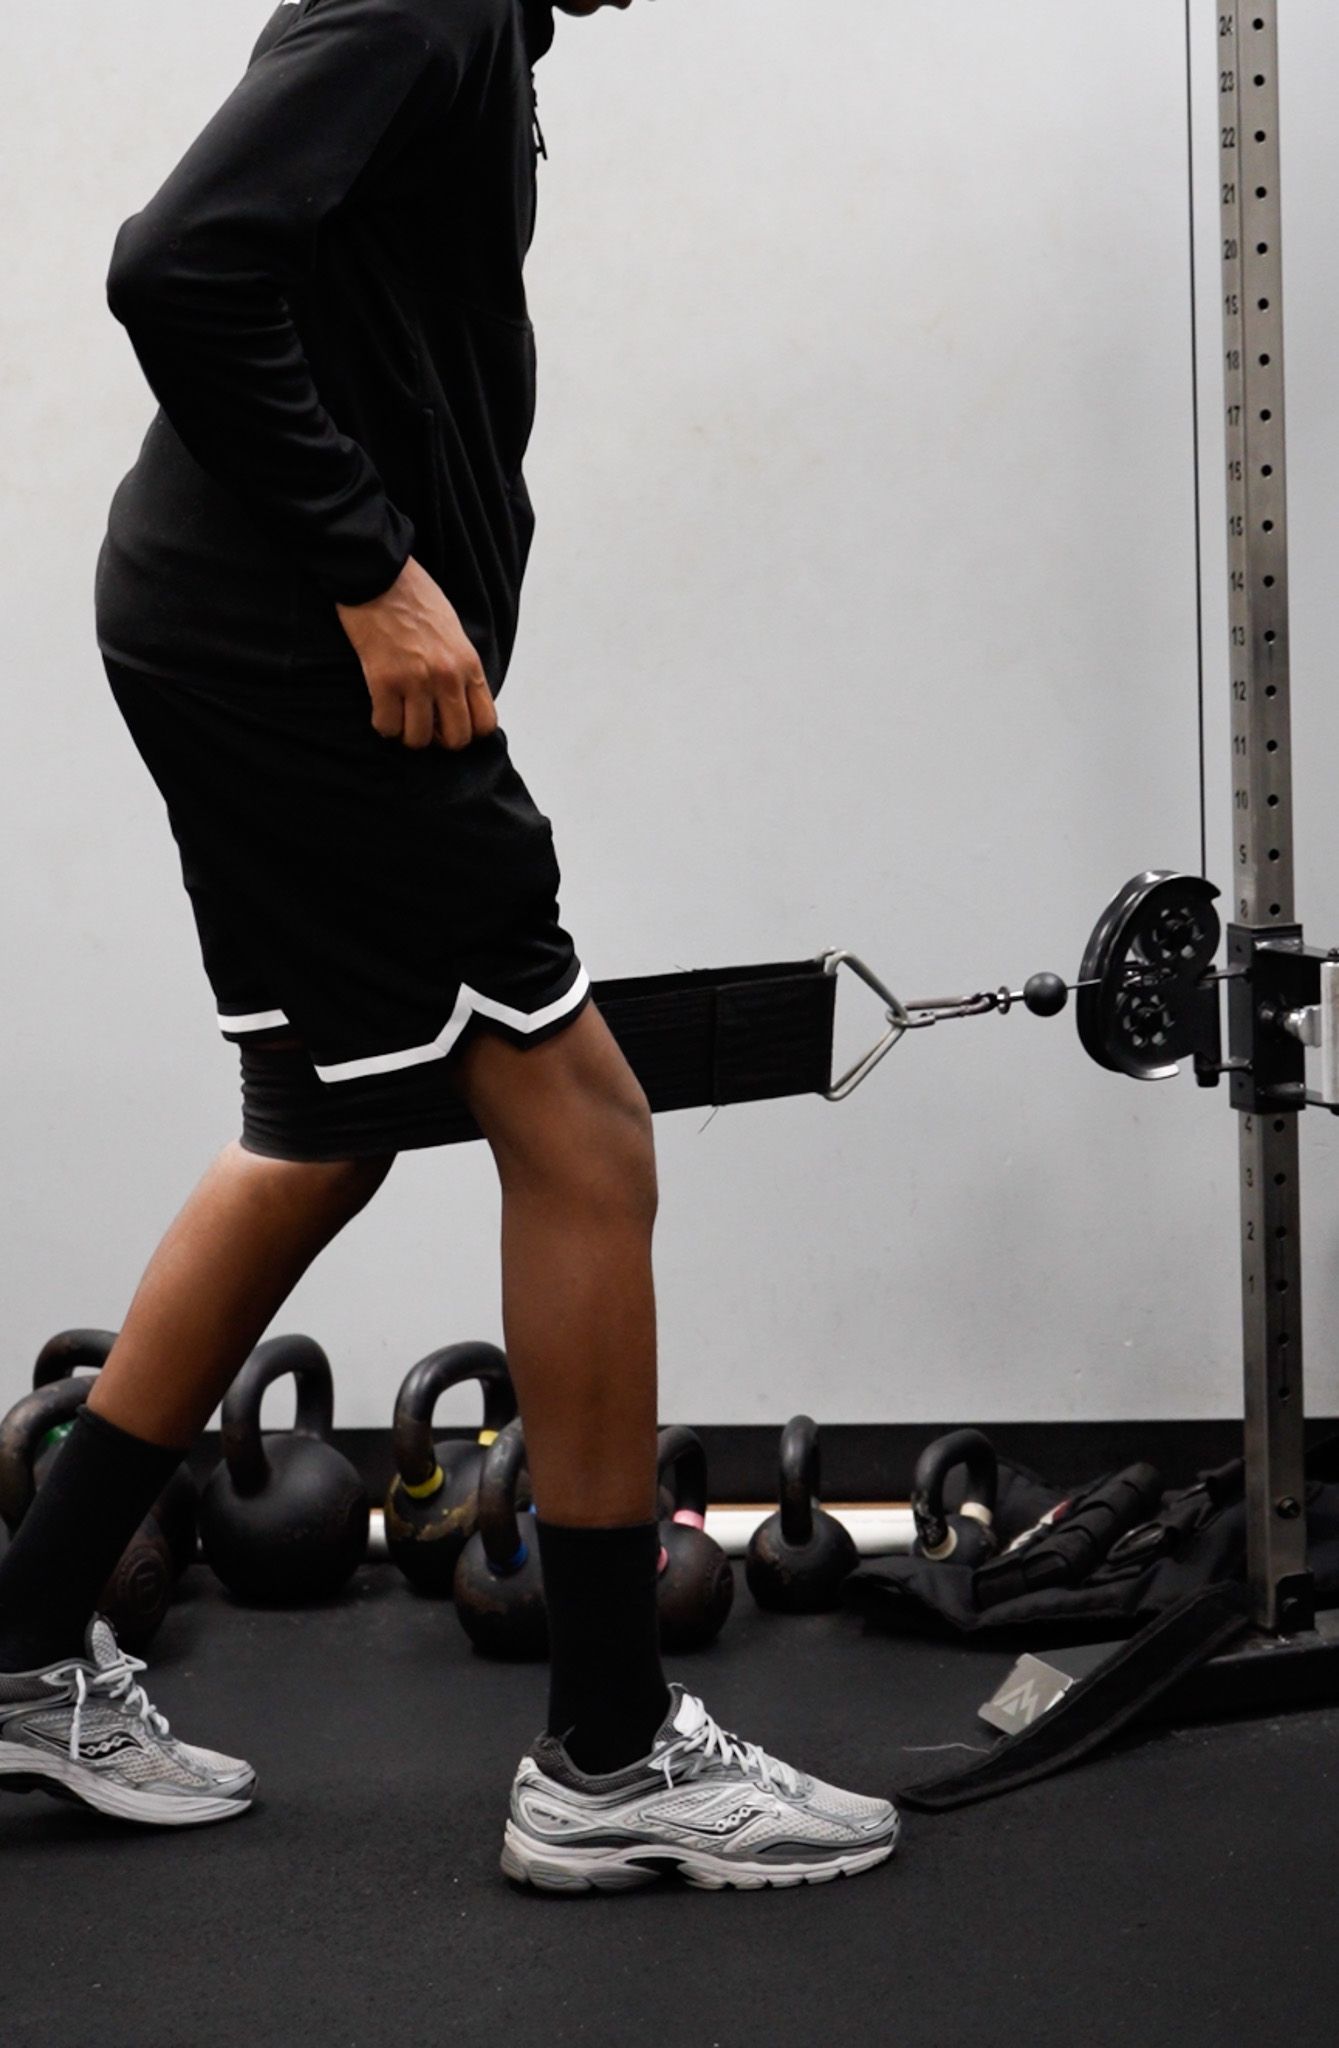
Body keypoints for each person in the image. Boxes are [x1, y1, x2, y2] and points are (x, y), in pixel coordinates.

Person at [0, 0, 898, 1891]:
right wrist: (371, 570)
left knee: (321, 1129)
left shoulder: (480, 22)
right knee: (588, 1127)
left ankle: (19, 1641)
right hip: (290, 640)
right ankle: (610, 1754)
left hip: (227, 623)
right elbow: (176, 263)